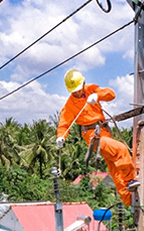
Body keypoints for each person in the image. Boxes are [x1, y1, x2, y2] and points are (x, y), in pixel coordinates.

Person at [56, 69, 139, 206]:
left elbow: (111, 94)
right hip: (93, 137)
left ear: (83, 83)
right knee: (120, 150)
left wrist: (97, 96)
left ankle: (129, 200)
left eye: (78, 89)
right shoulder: (70, 105)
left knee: (115, 169)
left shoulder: (91, 89)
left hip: (104, 131)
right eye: (74, 91)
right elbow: (64, 124)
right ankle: (131, 179)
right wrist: (61, 137)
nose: (77, 93)